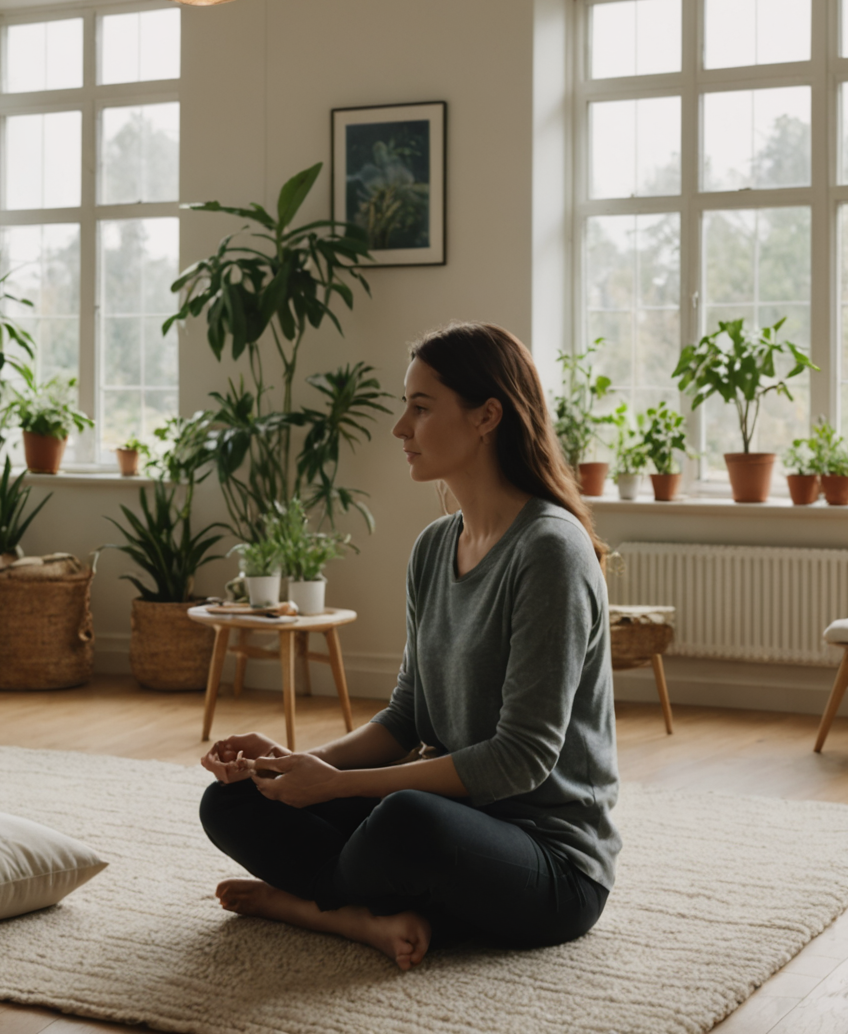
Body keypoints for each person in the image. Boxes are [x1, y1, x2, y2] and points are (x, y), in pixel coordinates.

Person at [197, 321, 620, 971]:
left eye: (420, 408)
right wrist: (294, 766)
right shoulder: (432, 548)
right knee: (232, 800)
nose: (400, 427)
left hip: (552, 867)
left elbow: (520, 761)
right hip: (450, 825)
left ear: (487, 416)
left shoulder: (550, 551)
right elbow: (407, 718)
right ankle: (370, 907)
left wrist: (339, 787)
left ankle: (317, 909)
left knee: (405, 821)